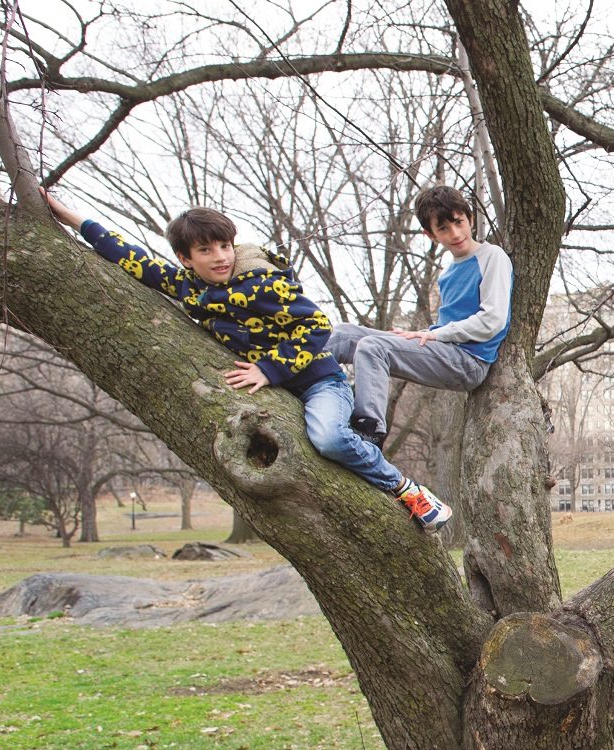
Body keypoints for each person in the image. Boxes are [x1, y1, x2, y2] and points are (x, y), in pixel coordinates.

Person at [42, 192, 452, 533]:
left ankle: (407, 489)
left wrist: (267, 369)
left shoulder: (262, 284)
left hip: (318, 382)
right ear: (187, 258)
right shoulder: (187, 288)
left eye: (224, 246)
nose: (220, 257)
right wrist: (70, 218)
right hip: (280, 392)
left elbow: (317, 326)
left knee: (328, 438)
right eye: (206, 250)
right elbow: (131, 258)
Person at [326, 184, 511, 447]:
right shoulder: (448, 274)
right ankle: (291, 372)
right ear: (431, 234)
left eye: (459, 222)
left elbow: (492, 321)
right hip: (445, 350)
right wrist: (418, 335)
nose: (455, 233)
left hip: (469, 362)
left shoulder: (492, 257)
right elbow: (449, 324)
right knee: (345, 334)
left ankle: (369, 432)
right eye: (443, 228)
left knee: (373, 347)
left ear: (470, 218)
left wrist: (432, 334)